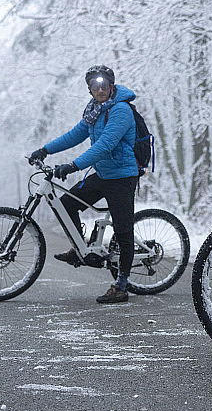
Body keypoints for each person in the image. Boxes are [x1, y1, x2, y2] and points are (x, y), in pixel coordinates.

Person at [29, 65, 139, 304]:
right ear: (89, 89)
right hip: (103, 174)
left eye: (104, 84)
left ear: (111, 86)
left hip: (122, 177)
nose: (100, 89)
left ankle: (121, 285)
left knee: (122, 230)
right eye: (94, 85)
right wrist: (45, 150)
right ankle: (80, 249)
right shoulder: (95, 111)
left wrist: (73, 165)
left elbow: (105, 145)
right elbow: (74, 135)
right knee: (67, 203)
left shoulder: (120, 110)